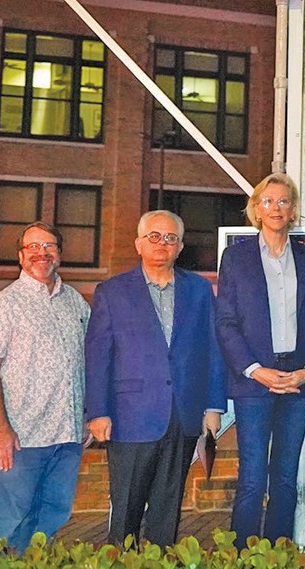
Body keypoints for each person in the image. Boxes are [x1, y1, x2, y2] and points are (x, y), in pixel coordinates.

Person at [84, 210, 225, 547]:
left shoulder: (200, 290)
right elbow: (98, 356)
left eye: (170, 238)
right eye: (154, 237)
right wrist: (98, 412)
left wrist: (213, 405)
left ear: (180, 247)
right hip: (130, 415)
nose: (163, 243)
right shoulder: (112, 292)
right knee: (126, 508)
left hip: (183, 414)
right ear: (138, 244)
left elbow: (213, 349)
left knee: (167, 508)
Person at [215, 173, 305, 542]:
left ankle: (279, 553)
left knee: (285, 479)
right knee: (251, 479)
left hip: (297, 380)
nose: (276, 208)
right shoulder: (236, 257)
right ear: (256, 209)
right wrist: (255, 370)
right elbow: (226, 321)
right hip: (254, 382)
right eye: (268, 201)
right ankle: (242, 558)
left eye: (283, 201)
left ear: (293, 210)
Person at [0, 222, 90, 551]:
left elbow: (88, 360)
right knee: (9, 523)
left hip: (66, 436)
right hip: (20, 438)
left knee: (51, 517)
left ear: (60, 254)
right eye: (33, 247)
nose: (42, 253)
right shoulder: (3, 305)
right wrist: (1, 429)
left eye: (49, 246)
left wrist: (88, 414)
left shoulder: (76, 303)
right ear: (21, 256)